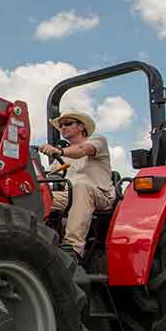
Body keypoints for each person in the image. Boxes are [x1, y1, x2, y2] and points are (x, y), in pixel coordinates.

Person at [38, 111, 114, 262]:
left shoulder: (97, 141)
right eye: (61, 126)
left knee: (80, 185)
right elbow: (49, 176)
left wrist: (58, 151)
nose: (63, 128)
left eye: (68, 124)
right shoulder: (63, 156)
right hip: (71, 195)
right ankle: (34, 240)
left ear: (81, 126)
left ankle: (73, 249)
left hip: (100, 195)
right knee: (36, 195)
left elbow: (81, 151)